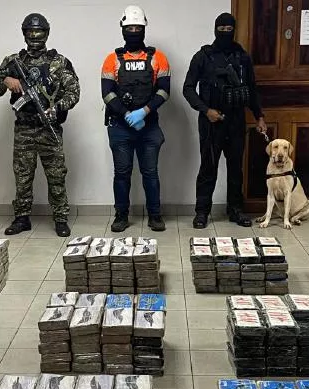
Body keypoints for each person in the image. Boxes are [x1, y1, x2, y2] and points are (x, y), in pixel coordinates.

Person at [0, 13, 80, 237]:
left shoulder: (59, 63)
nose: (35, 35)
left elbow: (74, 92)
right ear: (24, 34)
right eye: (31, 31)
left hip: (50, 128)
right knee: (23, 175)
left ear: (46, 33)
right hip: (24, 129)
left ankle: (60, 219)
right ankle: (22, 218)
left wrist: (56, 108)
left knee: (56, 176)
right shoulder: (14, 61)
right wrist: (6, 80)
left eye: (39, 31)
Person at [183, 12, 267, 229]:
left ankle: (236, 210)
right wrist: (205, 110)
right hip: (211, 122)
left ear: (234, 30)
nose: (225, 33)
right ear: (215, 30)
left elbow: (252, 90)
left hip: (236, 120)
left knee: (236, 168)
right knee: (208, 168)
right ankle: (202, 212)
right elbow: (188, 89)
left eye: (229, 30)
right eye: (221, 29)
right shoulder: (203, 56)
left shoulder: (242, 57)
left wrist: (259, 116)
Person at [101, 5, 171, 232]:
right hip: (120, 126)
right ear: (123, 29)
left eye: (137, 28)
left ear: (144, 29)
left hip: (148, 126)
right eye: (129, 28)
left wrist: (144, 112)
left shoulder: (158, 58)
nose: (133, 32)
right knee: (122, 173)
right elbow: (107, 93)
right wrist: (127, 114)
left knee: (150, 173)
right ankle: (121, 215)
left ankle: (155, 215)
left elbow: (164, 91)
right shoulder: (112, 59)